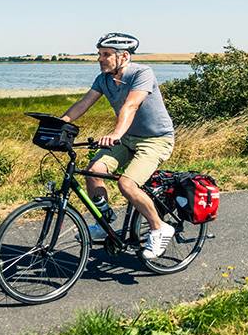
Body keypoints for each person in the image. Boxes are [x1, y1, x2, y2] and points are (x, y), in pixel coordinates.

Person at [60, 32, 176, 259]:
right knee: (94, 172)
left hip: (155, 139)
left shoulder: (142, 73)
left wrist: (115, 133)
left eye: (106, 54)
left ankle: (159, 228)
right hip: (127, 138)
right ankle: (105, 222)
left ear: (123, 56)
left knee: (127, 184)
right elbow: (84, 102)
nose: (100, 59)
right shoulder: (103, 79)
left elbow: (130, 106)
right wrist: (60, 124)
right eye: (99, 54)